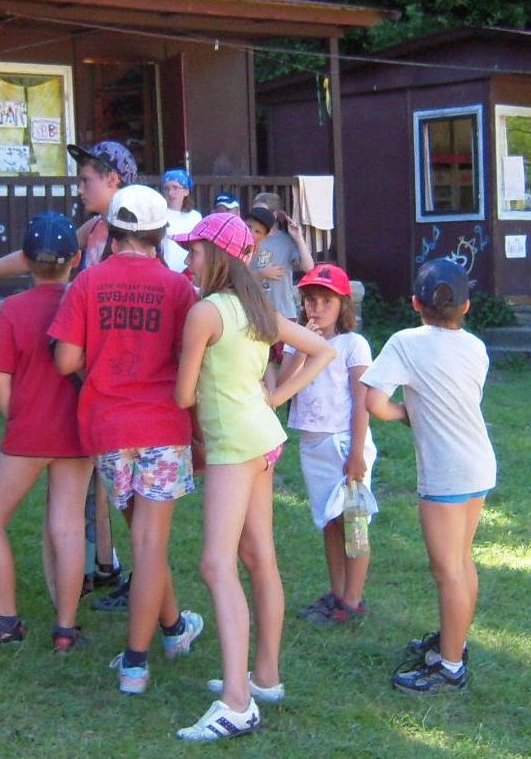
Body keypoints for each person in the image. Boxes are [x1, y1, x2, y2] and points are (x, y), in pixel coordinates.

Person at [0, 140, 135, 603]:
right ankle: (96, 578)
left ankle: (142, 594)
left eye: (86, 179)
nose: (79, 187)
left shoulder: (129, 235)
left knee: (119, 505)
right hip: (81, 392)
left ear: (113, 180)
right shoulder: (95, 227)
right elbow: (47, 253)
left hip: (105, 387)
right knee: (78, 505)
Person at [172, 213, 334, 741]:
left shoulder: (204, 312)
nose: (189, 260)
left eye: (195, 250)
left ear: (217, 256)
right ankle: (264, 677)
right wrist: (276, 398)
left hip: (234, 446)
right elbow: (322, 348)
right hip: (263, 439)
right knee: (257, 555)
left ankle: (237, 703)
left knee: (215, 564)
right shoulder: (258, 307)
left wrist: (270, 394)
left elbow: (184, 395)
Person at [50, 184, 203, 695]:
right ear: (161, 235)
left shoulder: (87, 282)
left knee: (142, 536)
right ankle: (136, 663)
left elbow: (66, 360)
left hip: (108, 428)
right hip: (162, 426)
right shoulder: (178, 288)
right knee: (150, 543)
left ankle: (174, 629)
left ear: (112, 232)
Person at [0, 211, 92, 651]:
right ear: (75, 259)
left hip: (29, 433)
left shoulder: (12, 309)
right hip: (78, 433)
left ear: (26, 260)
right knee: (67, 526)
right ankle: (65, 629)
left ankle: (7, 621)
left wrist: (20, 420)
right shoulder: (85, 302)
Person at [361, 258, 496, 695]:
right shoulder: (476, 347)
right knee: (462, 560)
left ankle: (450, 667)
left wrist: (406, 414)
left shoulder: (405, 342)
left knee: (448, 570)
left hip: (446, 472)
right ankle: (454, 644)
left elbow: (374, 402)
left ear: (415, 303)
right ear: (467, 306)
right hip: (478, 463)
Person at [277, 264, 377, 626]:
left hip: (345, 443)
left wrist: (356, 454)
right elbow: (282, 386)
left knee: (354, 521)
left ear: (342, 305)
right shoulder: (298, 340)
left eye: (326, 301)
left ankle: (353, 600)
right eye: (310, 301)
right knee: (329, 522)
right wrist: (303, 347)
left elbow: (361, 401)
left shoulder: (353, 345)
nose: (316, 309)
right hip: (313, 444)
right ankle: (337, 592)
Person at [249, 202, 315, 364]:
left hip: (284, 312)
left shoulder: (285, 240)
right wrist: (261, 274)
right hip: (255, 313)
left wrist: (298, 238)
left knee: (285, 361)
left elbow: (308, 267)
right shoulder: (249, 240)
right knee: (262, 364)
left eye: (263, 213)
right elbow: (237, 275)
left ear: (274, 215)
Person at [160, 168, 202, 273]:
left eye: (175, 188)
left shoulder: (195, 217)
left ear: (186, 191)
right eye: (166, 188)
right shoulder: (159, 214)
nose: (170, 193)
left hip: (189, 271)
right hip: (166, 271)